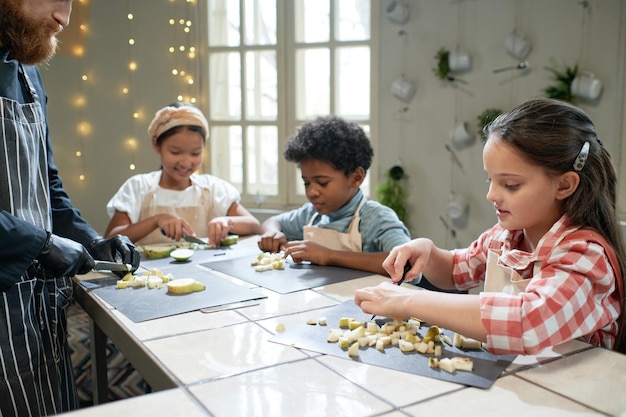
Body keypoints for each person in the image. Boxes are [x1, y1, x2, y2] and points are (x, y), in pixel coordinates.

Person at [355, 98, 626, 355]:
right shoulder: (504, 237)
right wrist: (426, 250)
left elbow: (527, 321)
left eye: (510, 185)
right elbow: (454, 271)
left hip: (578, 395)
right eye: (490, 181)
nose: (492, 195)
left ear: (564, 185)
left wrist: (407, 301)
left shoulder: (586, 256)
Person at [0, 1, 140, 416]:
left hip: (36, 305)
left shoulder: (29, 75)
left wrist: (92, 239)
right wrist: (38, 245)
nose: (65, 18)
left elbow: (48, 184)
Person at [257, 115, 411, 276]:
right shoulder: (311, 215)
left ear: (356, 177)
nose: (311, 192)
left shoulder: (377, 219)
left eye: (322, 182)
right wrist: (272, 233)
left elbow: (407, 265)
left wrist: (329, 256)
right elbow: (272, 221)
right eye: (306, 183)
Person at [104, 102, 260, 247]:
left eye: (195, 153)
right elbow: (110, 241)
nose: (186, 162)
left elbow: (253, 224)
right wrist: (156, 220)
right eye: (175, 152)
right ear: (156, 144)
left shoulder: (212, 188)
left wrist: (226, 221)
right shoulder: (138, 187)